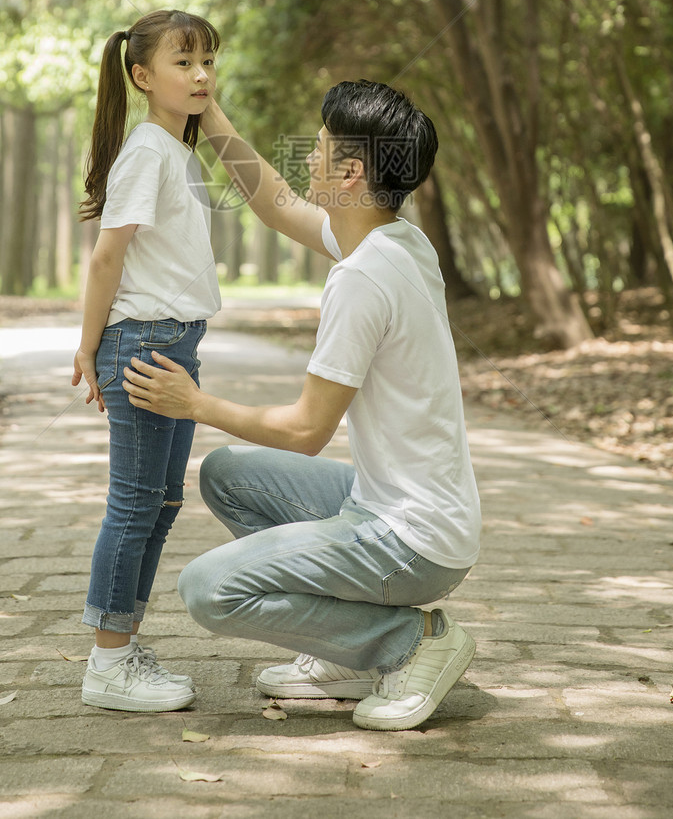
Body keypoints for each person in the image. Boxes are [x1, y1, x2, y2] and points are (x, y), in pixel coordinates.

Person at [123, 80, 482, 731]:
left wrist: (193, 402)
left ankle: (411, 642)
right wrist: (211, 116)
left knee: (207, 590)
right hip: (404, 506)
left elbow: (308, 429)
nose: (306, 158)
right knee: (229, 475)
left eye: (317, 147)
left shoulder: (365, 277)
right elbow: (278, 205)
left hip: (412, 542)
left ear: (349, 173)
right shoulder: (398, 241)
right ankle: (342, 655)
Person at [71, 8, 221, 713]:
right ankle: (108, 663)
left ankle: (123, 646)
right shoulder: (146, 152)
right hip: (145, 343)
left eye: (208, 63)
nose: (200, 76)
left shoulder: (174, 148)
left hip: (176, 343)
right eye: (183, 62)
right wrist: (90, 344)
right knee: (134, 506)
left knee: (161, 504)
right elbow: (109, 255)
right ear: (141, 75)